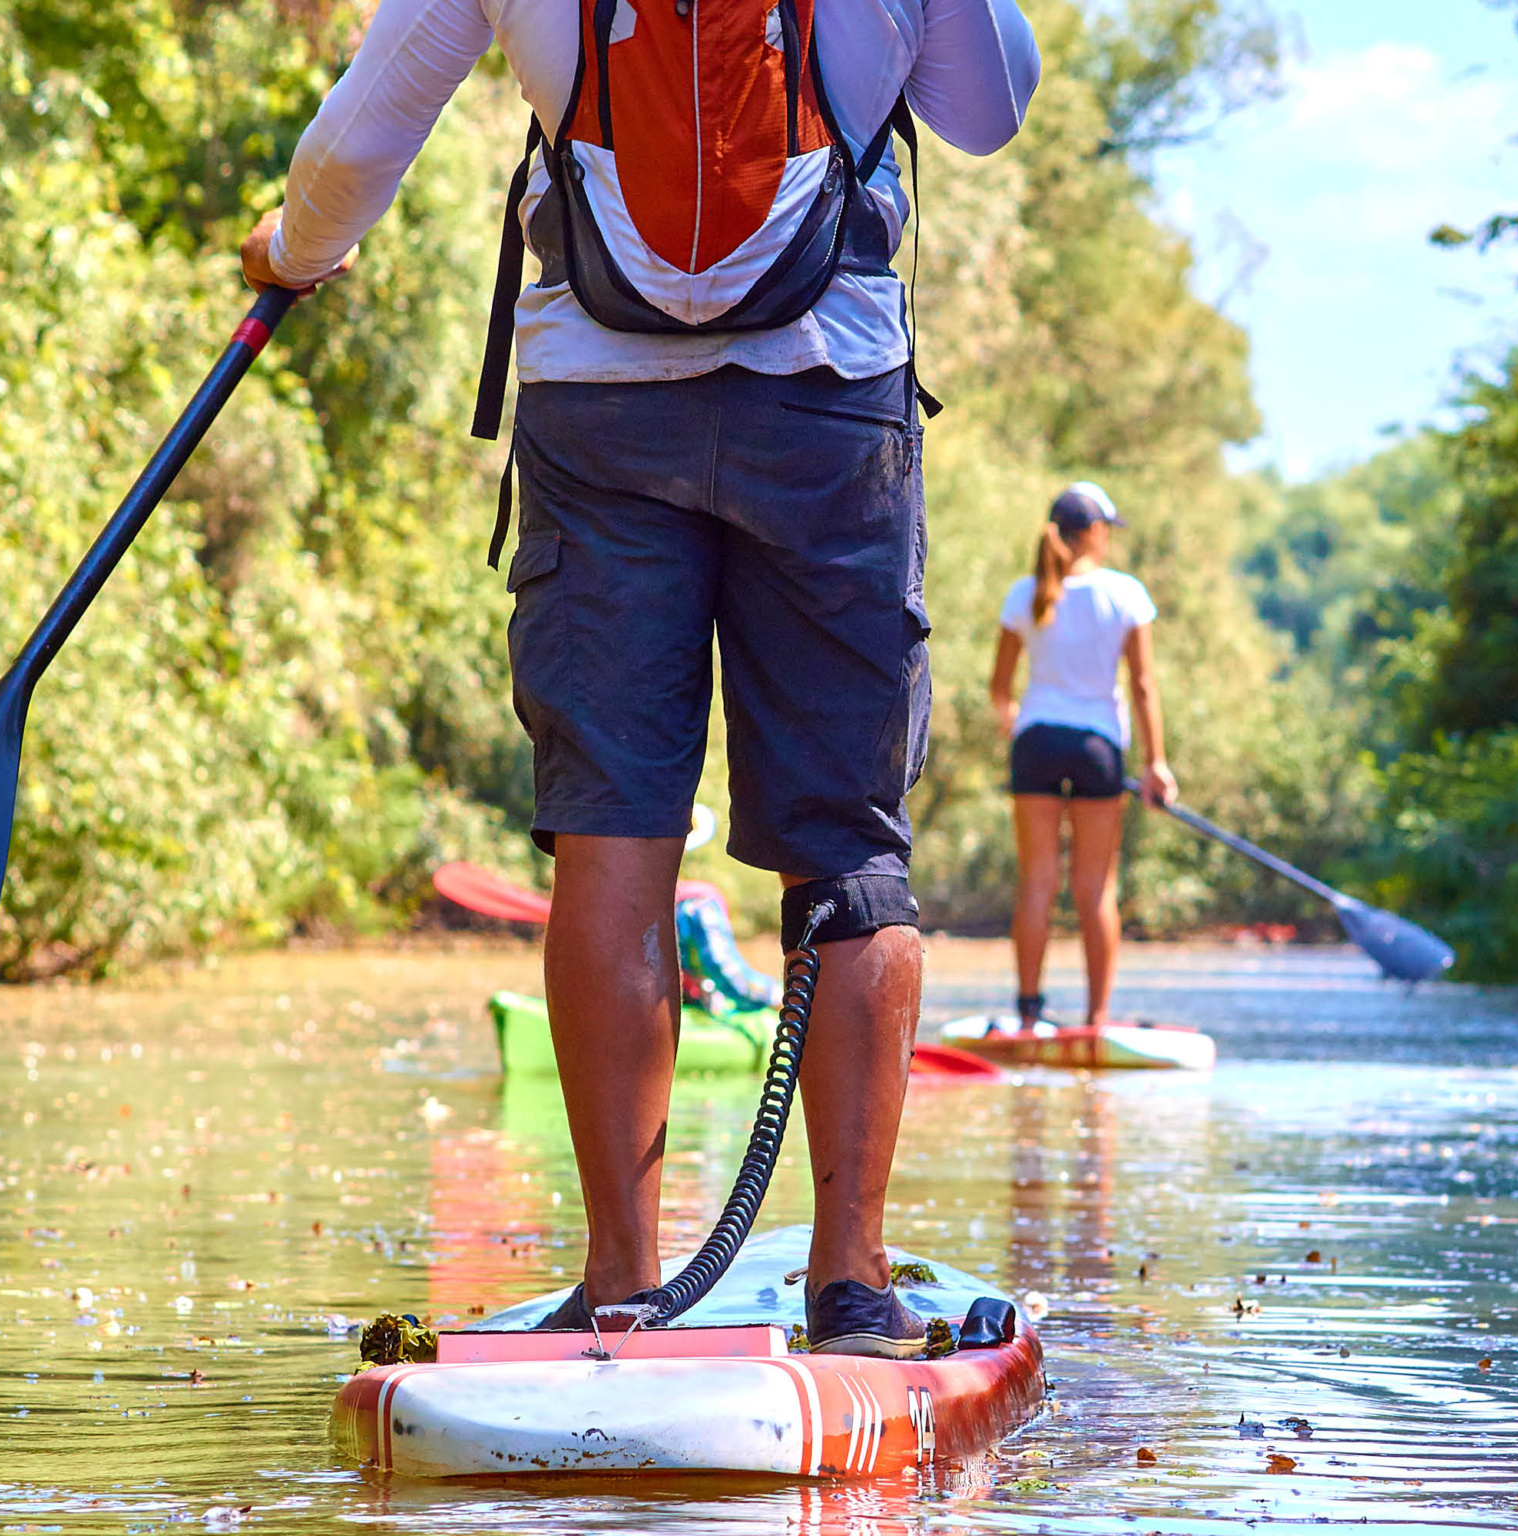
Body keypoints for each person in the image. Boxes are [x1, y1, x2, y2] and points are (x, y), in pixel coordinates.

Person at [239, 0, 1038, 1358]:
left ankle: (621, 1283)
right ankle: (851, 1282)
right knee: (849, 846)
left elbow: (364, 131)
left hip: (597, 412)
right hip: (828, 410)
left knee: (612, 835)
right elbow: (987, 109)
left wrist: (294, 250)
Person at [988, 482, 1175, 1031]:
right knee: (1095, 888)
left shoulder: (1024, 593)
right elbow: (1143, 686)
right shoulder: (1126, 594)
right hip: (1097, 748)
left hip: (1037, 741)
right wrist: (1155, 763)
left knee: (1038, 881)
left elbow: (1000, 687)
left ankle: (1028, 1016)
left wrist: (1012, 724)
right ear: (1094, 533)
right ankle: (1095, 1022)